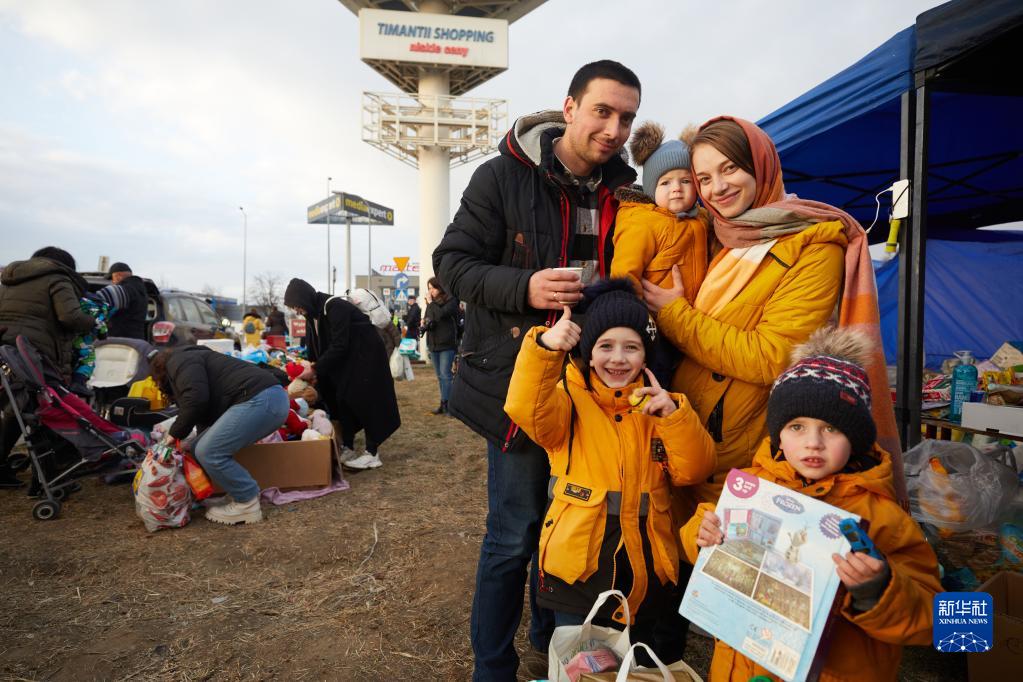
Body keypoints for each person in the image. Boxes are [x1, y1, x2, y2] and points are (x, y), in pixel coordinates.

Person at [434, 59, 641, 681]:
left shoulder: (627, 192)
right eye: (602, 111)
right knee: (515, 534)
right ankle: (492, 668)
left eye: (626, 117)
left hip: (595, 390)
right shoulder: (502, 176)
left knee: (572, 532)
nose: (613, 128)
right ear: (570, 108)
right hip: (521, 387)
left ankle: (550, 640)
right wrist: (526, 287)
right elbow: (452, 264)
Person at [681, 327, 940, 681]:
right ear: (778, 433)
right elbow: (699, 536)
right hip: (741, 668)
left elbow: (938, 621)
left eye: (832, 428)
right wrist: (702, 532)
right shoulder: (752, 487)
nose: (813, 443)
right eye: (797, 426)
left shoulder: (884, 517)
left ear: (857, 437)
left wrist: (876, 590)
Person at [504, 279, 715, 650]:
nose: (618, 358)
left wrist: (675, 418)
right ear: (589, 349)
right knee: (579, 660)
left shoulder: (663, 407)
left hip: (644, 570)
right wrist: (543, 350)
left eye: (631, 347)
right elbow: (526, 409)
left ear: (645, 356)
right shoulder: (568, 399)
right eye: (606, 346)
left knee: (633, 658)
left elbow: (693, 470)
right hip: (578, 570)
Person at [611, 121, 709, 386]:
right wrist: (635, 325)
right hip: (654, 326)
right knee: (659, 379)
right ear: (652, 188)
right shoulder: (642, 222)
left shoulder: (702, 219)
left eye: (685, 180)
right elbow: (624, 274)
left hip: (692, 323)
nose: (676, 188)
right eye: (665, 182)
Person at [149, 346, 289, 525]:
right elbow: (204, 415)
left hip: (261, 399)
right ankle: (237, 494)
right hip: (267, 399)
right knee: (199, 447)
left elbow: (196, 399)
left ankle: (247, 503)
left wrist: (173, 435)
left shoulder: (178, 361)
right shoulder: (194, 358)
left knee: (209, 451)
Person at [283, 278, 400, 471]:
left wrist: (315, 368)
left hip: (367, 362)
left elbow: (340, 344)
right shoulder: (313, 314)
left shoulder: (335, 306)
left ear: (304, 299)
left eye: (297, 306)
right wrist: (313, 367)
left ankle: (372, 453)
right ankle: (348, 446)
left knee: (366, 403)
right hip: (349, 364)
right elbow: (316, 347)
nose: (296, 310)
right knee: (342, 402)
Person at [421, 277, 460, 415]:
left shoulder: (451, 300)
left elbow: (441, 314)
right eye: (429, 288)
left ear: (440, 287)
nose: (430, 291)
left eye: (433, 288)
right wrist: (424, 323)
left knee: (446, 375)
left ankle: (450, 406)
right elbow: (429, 318)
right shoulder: (431, 304)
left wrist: (430, 303)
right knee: (440, 376)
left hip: (447, 343)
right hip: (433, 343)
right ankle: (443, 404)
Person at [105, 262, 148, 340]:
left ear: (118, 276)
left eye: (112, 278)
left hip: (122, 342)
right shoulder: (139, 289)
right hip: (136, 339)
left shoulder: (126, 290)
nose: (113, 282)